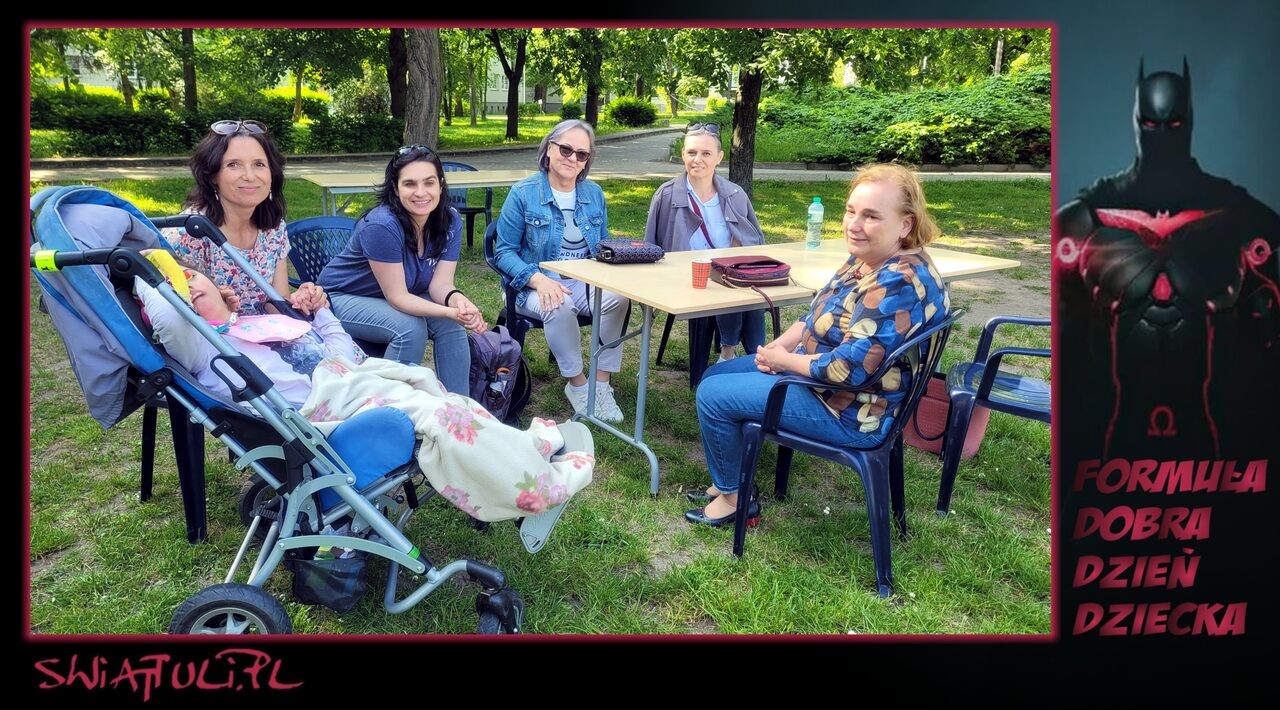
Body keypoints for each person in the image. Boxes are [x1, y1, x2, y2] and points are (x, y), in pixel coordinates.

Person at [135, 256, 594, 524]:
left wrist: (320, 313)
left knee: (454, 402)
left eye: (191, 277)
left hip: (351, 375)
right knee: (445, 420)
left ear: (218, 285)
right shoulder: (204, 348)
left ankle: (523, 448)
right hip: (321, 409)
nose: (185, 287)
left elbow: (342, 353)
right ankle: (533, 488)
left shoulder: (253, 322)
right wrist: (153, 273)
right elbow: (171, 315)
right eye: (176, 285)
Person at [685, 164, 951, 527]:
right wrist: (776, 349)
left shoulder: (895, 283)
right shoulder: (868, 258)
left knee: (713, 395)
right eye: (851, 211)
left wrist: (785, 363)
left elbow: (847, 369)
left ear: (905, 224)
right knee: (715, 375)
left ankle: (734, 498)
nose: (854, 224)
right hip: (824, 381)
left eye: (871, 216)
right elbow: (817, 315)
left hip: (851, 409)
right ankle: (731, 478)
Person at [1055, 59, 1280, 461]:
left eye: (1172, 124)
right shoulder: (1096, 207)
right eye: (1151, 124)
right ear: (1137, 120)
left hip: (1206, 421)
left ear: (1188, 121)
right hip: (1116, 423)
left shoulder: (1228, 206)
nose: (1161, 135)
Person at [492, 119, 630, 423]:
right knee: (558, 302)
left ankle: (601, 384)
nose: (572, 158)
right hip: (529, 284)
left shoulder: (593, 194)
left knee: (618, 299)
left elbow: (603, 244)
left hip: (582, 282)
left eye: (582, 154)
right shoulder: (523, 193)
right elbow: (503, 252)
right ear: (548, 149)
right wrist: (538, 280)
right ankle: (578, 385)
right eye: (566, 149)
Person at [318, 145, 486, 395]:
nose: (421, 192)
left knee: (451, 325)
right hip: (340, 298)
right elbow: (397, 297)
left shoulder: (449, 221)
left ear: (441, 184)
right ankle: (391, 405)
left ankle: (460, 407)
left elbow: (441, 285)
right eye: (409, 184)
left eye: (429, 182)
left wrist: (459, 303)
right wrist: (450, 312)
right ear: (395, 189)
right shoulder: (382, 225)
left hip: (393, 296)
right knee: (410, 328)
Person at [162, 119, 326, 317]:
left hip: (265, 332)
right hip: (214, 335)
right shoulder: (190, 232)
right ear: (213, 175)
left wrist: (300, 300)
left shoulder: (273, 228)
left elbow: (276, 303)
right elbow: (176, 314)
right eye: (234, 165)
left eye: (259, 164)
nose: (249, 176)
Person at [644, 122, 768, 362]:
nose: (697, 159)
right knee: (728, 287)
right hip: (684, 275)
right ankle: (738, 355)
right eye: (691, 152)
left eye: (706, 153)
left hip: (726, 271)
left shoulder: (735, 194)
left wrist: (737, 257)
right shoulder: (666, 195)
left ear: (719, 157)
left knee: (749, 291)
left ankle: (749, 357)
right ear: (683, 155)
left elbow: (754, 239)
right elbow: (650, 245)